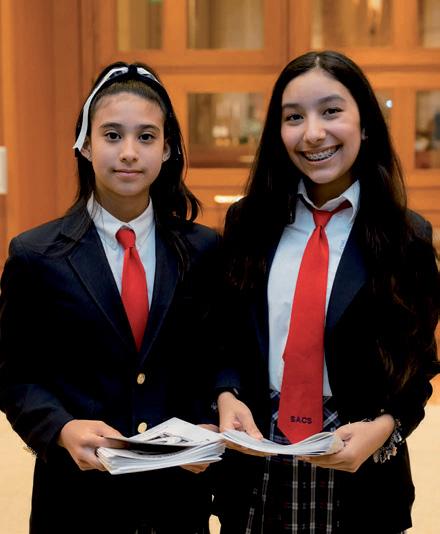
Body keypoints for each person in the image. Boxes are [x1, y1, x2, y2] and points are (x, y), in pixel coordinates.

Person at [213, 50, 439, 534]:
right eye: (294, 117)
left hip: (358, 460)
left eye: (331, 111)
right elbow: (225, 336)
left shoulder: (407, 238)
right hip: (258, 452)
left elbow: (418, 366)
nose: (313, 133)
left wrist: (382, 429)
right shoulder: (247, 223)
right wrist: (226, 394)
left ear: (365, 124)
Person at [0, 61, 220, 533]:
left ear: (167, 149)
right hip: (77, 501)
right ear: (85, 144)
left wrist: (209, 422)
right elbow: (15, 375)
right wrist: (61, 428)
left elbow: (217, 358)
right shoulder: (36, 255)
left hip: (176, 499)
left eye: (146, 137)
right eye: (113, 135)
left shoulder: (204, 250)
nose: (129, 153)